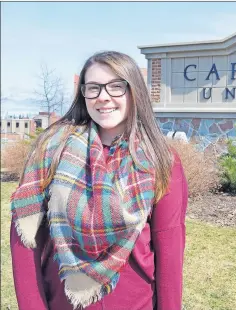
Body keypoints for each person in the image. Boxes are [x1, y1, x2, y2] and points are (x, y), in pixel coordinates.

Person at [10, 51, 188, 310]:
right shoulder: (51, 151)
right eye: (93, 88)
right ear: (83, 94)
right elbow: (24, 242)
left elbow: (169, 252)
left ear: (134, 90)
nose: (103, 96)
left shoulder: (161, 160)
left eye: (116, 86)